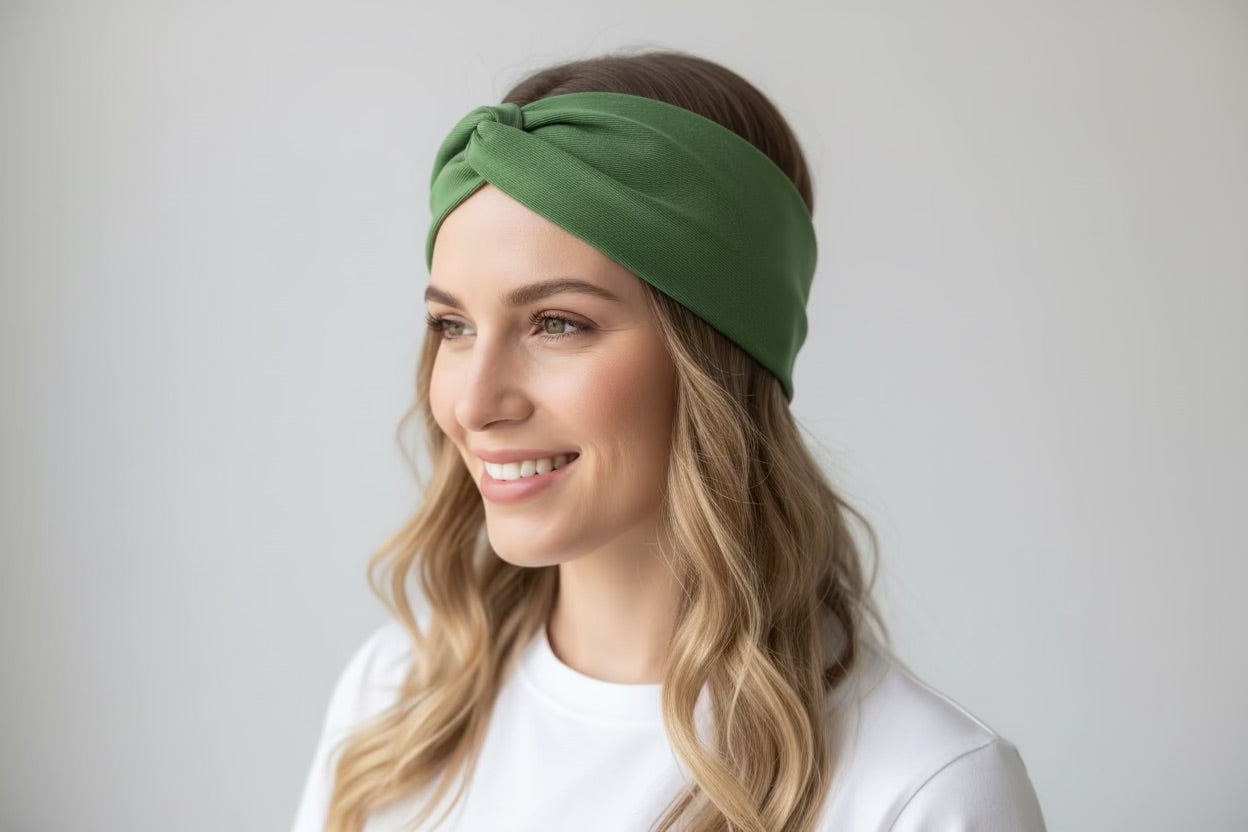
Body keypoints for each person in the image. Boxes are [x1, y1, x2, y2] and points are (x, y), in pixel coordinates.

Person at [291, 48, 1047, 832]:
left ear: (714, 358)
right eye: (453, 325)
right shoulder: (396, 705)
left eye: (558, 324)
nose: (474, 402)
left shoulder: (919, 791)